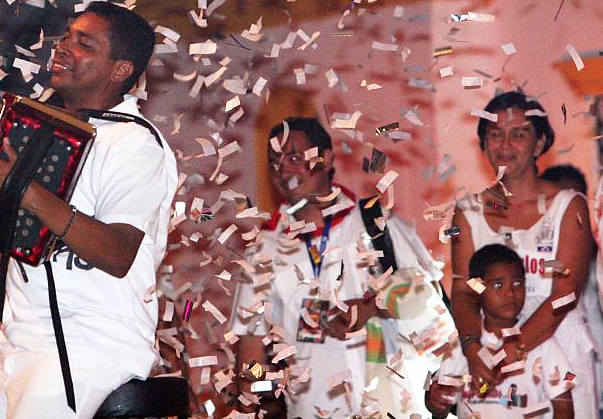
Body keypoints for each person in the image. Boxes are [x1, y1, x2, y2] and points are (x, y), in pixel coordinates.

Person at [0, 2, 178, 419]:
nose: (63, 47)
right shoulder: (42, 128)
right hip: (16, 342)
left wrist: (25, 191)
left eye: (84, 43)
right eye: (67, 36)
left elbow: (116, 253)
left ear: (120, 70)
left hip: (86, 343)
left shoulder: (134, 144)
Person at [231, 117, 451, 418]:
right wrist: (258, 387)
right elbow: (251, 351)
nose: (284, 170)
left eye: (295, 157)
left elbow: (427, 301)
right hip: (311, 410)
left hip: (392, 405)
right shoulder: (263, 250)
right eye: (274, 161)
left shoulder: (375, 223)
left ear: (327, 158)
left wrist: (371, 308)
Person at [449, 91, 599, 417]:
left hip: (558, 351)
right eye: (496, 134)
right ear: (483, 143)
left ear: (540, 142)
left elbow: (566, 293)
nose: (506, 144)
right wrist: (474, 349)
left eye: (519, 134)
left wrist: (513, 349)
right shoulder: (467, 212)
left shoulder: (568, 205)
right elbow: (463, 289)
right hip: (491, 361)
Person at [426, 244, 574, 419]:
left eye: (517, 283)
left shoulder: (541, 342)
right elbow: (439, 407)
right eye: (498, 285)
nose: (510, 293)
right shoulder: (461, 345)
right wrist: (434, 400)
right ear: (477, 290)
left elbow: (564, 405)